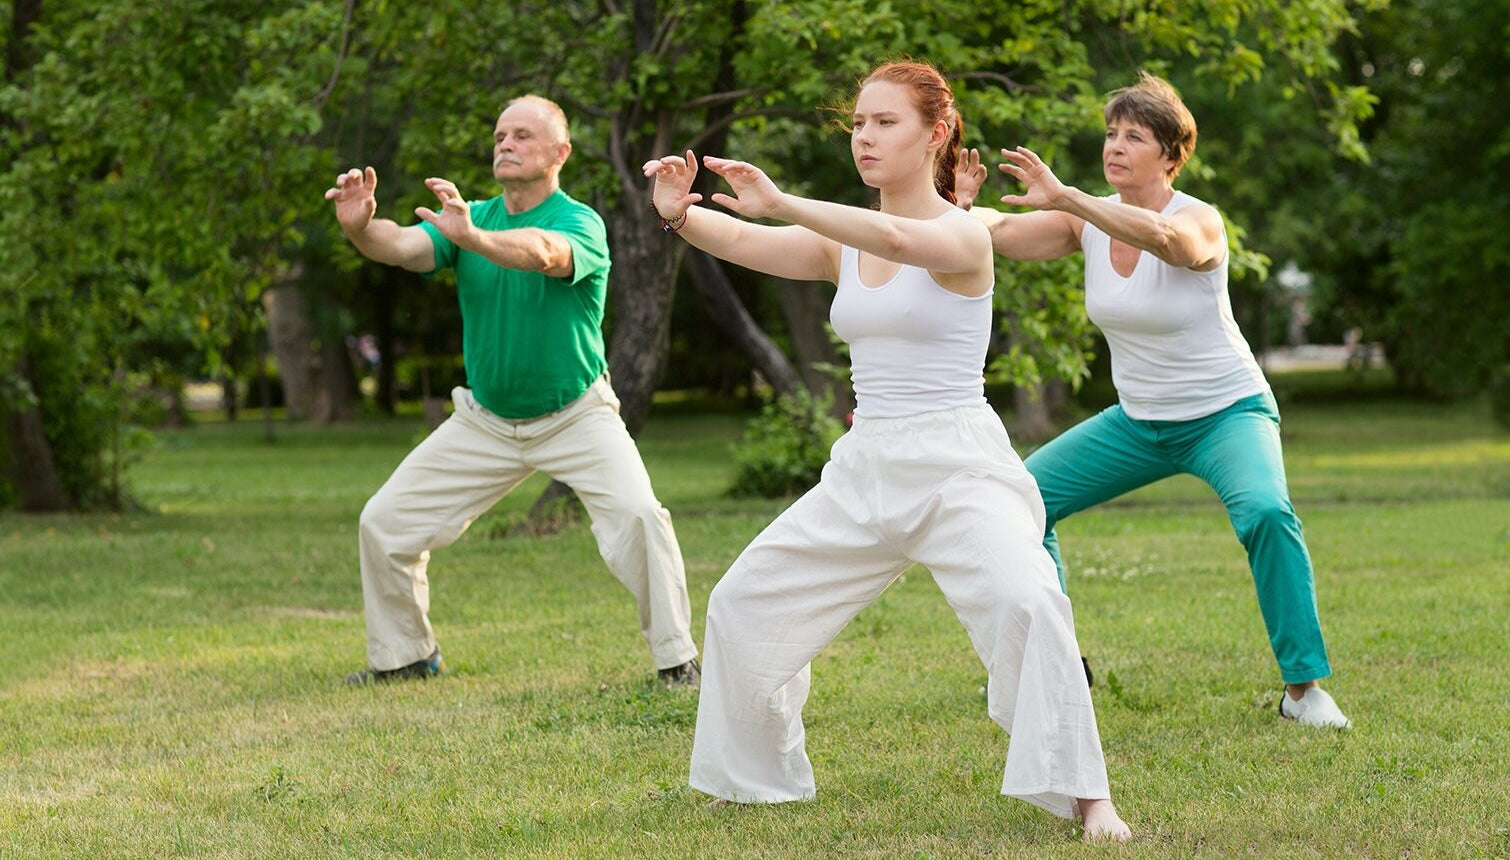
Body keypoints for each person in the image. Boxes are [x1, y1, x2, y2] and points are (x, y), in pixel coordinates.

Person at [644, 61, 1131, 842]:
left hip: (959, 469)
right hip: (866, 467)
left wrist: (781, 198)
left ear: (935, 136)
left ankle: (1088, 797)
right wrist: (680, 215)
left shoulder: (964, 233)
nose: (864, 138)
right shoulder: (842, 244)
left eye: (884, 123)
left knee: (1029, 603)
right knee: (741, 603)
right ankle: (753, 780)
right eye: (859, 124)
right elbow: (746, 238)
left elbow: (901, 234)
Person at [953, 72, 1350, 728]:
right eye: (1111, 133)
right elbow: (996, 233)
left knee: (1265, 513)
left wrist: (1070, 198)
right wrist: (957, 208)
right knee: (1021, 503)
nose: (1116, 145)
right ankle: (1059, 664)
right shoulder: (1083, 225)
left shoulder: (1198, 219)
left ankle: (1303, 691)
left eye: (1134, 136)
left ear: (1170, 155)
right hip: (1138, 423)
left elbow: (1170, 244)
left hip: (1226, 413)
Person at [325, 95, 699, 688]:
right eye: (501, 135)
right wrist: (360, 228)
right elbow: (398, 246)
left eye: (523, 135)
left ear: (560, 153)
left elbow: (543, 254)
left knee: (639, 518)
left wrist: (471, 238)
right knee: (384, 522)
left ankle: (677, 660)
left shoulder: (579, 223)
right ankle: (406, 658)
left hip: (576, 415)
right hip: (486, 422)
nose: (506, 144)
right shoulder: (466, 217)